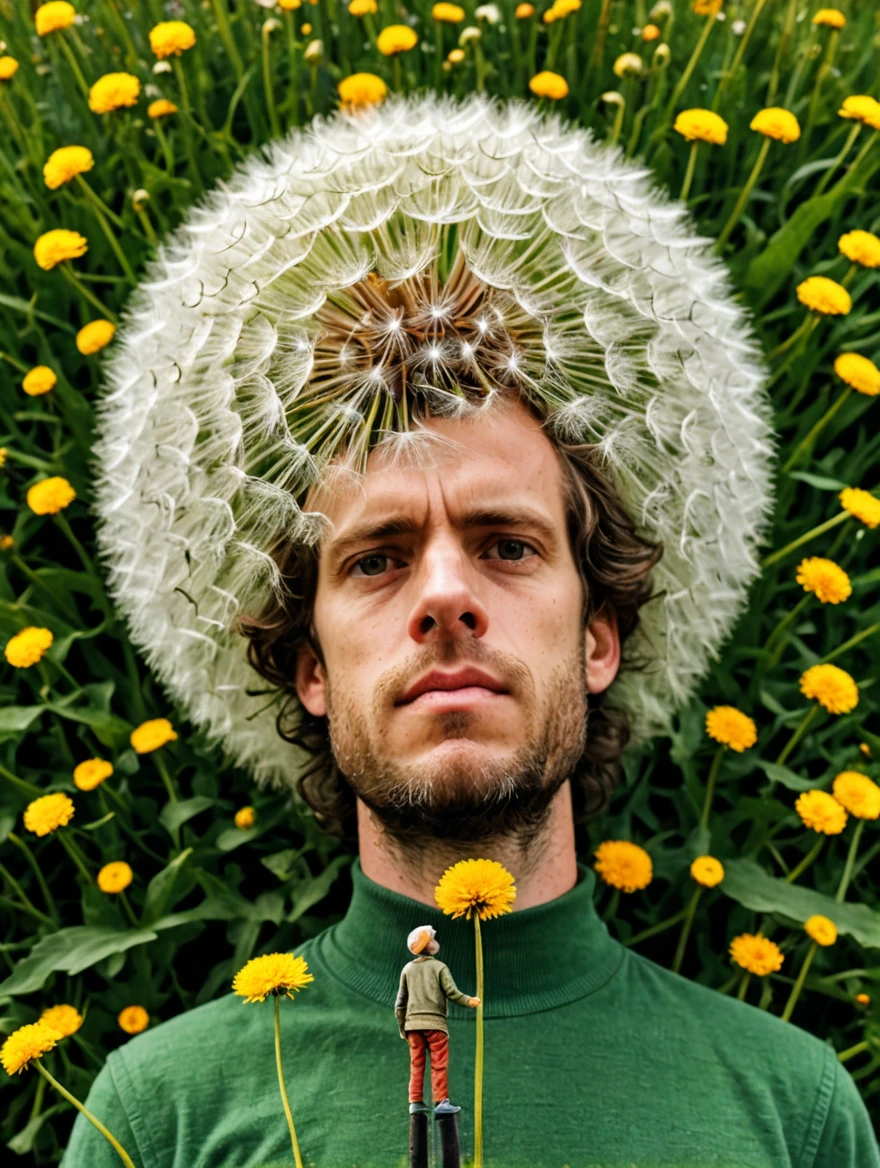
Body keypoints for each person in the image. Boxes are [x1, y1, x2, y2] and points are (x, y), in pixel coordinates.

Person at [64, 93, 879, 1167]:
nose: (444, 596)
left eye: (506, 544)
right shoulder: (160, 1118)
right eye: (376, 559)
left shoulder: (791, 1111)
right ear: (309, 667)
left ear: (598, 639)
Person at [396, 925, 480, 1117]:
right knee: (438, 1063)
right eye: (432, 939)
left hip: (413, 1026)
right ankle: (441, 1101)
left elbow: (400, 1002)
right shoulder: (439, 967)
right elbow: (452, 993)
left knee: (416, 1065)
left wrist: (403, 1028)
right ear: (428, 945)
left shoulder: (407, 969)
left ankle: (415, 1101)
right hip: (435, 1025)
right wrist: (470, 1000)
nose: (435, 942)